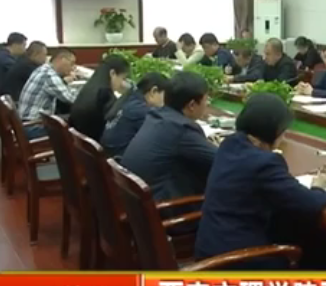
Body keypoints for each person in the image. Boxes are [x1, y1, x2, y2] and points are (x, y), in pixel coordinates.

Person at [195, 93, 326, 269]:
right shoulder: (264, 163)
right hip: (236, 261)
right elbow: (308, 203)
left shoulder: (229, 144)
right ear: (274, 132)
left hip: (208, 250)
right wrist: (318, 187)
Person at [121, 72, 217, 204]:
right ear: (192, 105)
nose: (207, 104)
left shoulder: (156, 115)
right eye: (206, 100)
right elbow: (221, 160)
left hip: (133, 202)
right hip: (160, 210)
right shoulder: (182, 129)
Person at [101, 72, 170, 157]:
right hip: (117, 158)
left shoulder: (129, 98)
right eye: (165, 96)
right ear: (154, 91)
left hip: (107, 155)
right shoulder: (141, 110)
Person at [18, 48, 77, 139]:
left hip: (26, 123)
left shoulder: (43, 69)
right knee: (77, 122)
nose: (73, 68)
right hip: (33, 127)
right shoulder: (50, 75)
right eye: (72, 63)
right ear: (62, 60)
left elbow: (64, 91)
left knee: (69, 118)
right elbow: (71, 99)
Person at [69, 55, 130, 141]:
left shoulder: (91, 86)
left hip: (79, 141)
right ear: (112, 73)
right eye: (123, 78)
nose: (122, 83)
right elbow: (119, 119)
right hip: (93, 142)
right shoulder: (104, 92)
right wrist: (126, 95)